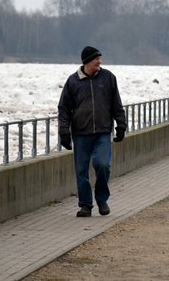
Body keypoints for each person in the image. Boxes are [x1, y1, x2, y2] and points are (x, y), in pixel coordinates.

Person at [58, 46, 127, 218]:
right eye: (97, 59)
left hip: (103, 131)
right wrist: (64, 132)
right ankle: (86, 205)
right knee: (81, 171)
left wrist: (121, 125)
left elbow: (116, 105)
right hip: (80, 134)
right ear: (88, 61)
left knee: (103, 164)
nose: (100, 62)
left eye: (100, 59)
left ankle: (102, 199)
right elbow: (64, 109)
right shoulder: (73, 82)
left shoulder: (108, 78)